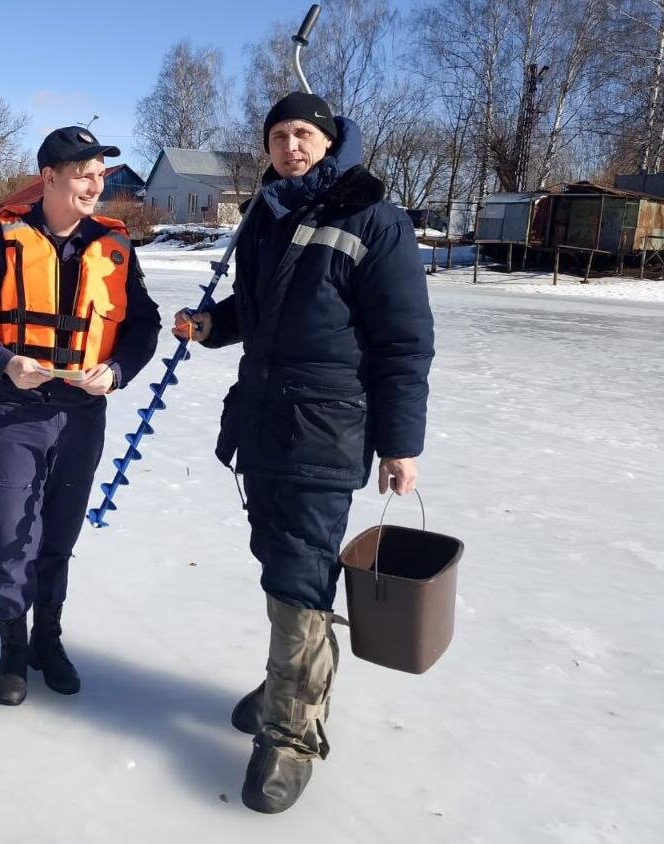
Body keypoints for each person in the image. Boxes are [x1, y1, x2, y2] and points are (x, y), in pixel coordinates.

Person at [174, 92, 435, 813]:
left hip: (327, 426)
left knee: (299, 569)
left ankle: (292, 731)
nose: (291, 146)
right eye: (279, 135)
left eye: (304, 135)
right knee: (278, 559)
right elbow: (255, 313)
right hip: (261, 422)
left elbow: (404, 342)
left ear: (329, 141)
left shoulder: (373, 219)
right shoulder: (269, 214)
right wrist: (208, 324)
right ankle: (288, 677)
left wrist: (401, 444)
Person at [0, 126, 161, 706]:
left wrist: (117, 371)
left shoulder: (115, 245)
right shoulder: (3, 237)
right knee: (9, 531)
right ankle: (12, 645)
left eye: (100, 175)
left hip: (83, 414)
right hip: (19, 410)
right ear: (49, 177)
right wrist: (5, 362)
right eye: (83, 174)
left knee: (59, 533)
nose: (96, 184)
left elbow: (145, 324)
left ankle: (48, 638)